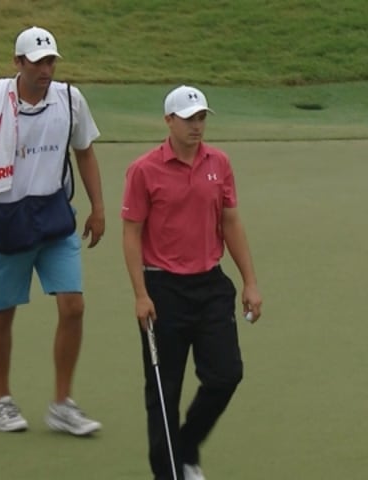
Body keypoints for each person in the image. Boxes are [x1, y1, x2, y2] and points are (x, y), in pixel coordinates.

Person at [0, 26, 105, 436]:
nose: (46, 69)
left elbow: (85, 152)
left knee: (73, 305)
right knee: (2, 312)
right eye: (37, 62)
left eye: (51, 60)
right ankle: (2, 400)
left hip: (54, 215)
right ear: (18, 63)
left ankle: (61, 404)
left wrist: (98, 207)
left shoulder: (70, 100)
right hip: (5, 216)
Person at [121, 85, 264, 480]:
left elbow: (230, 222)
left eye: (201, 118)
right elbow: (131, 233)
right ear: (169, 121)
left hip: (211, 285)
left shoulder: (219, 162)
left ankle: (186, 446)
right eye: (188, 119)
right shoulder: (144, 170)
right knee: (164, 392)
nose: (197, 126)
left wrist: (250, 281)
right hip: (163, 289)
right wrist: (140, 294)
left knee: (226, 374)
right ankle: (169, 472)